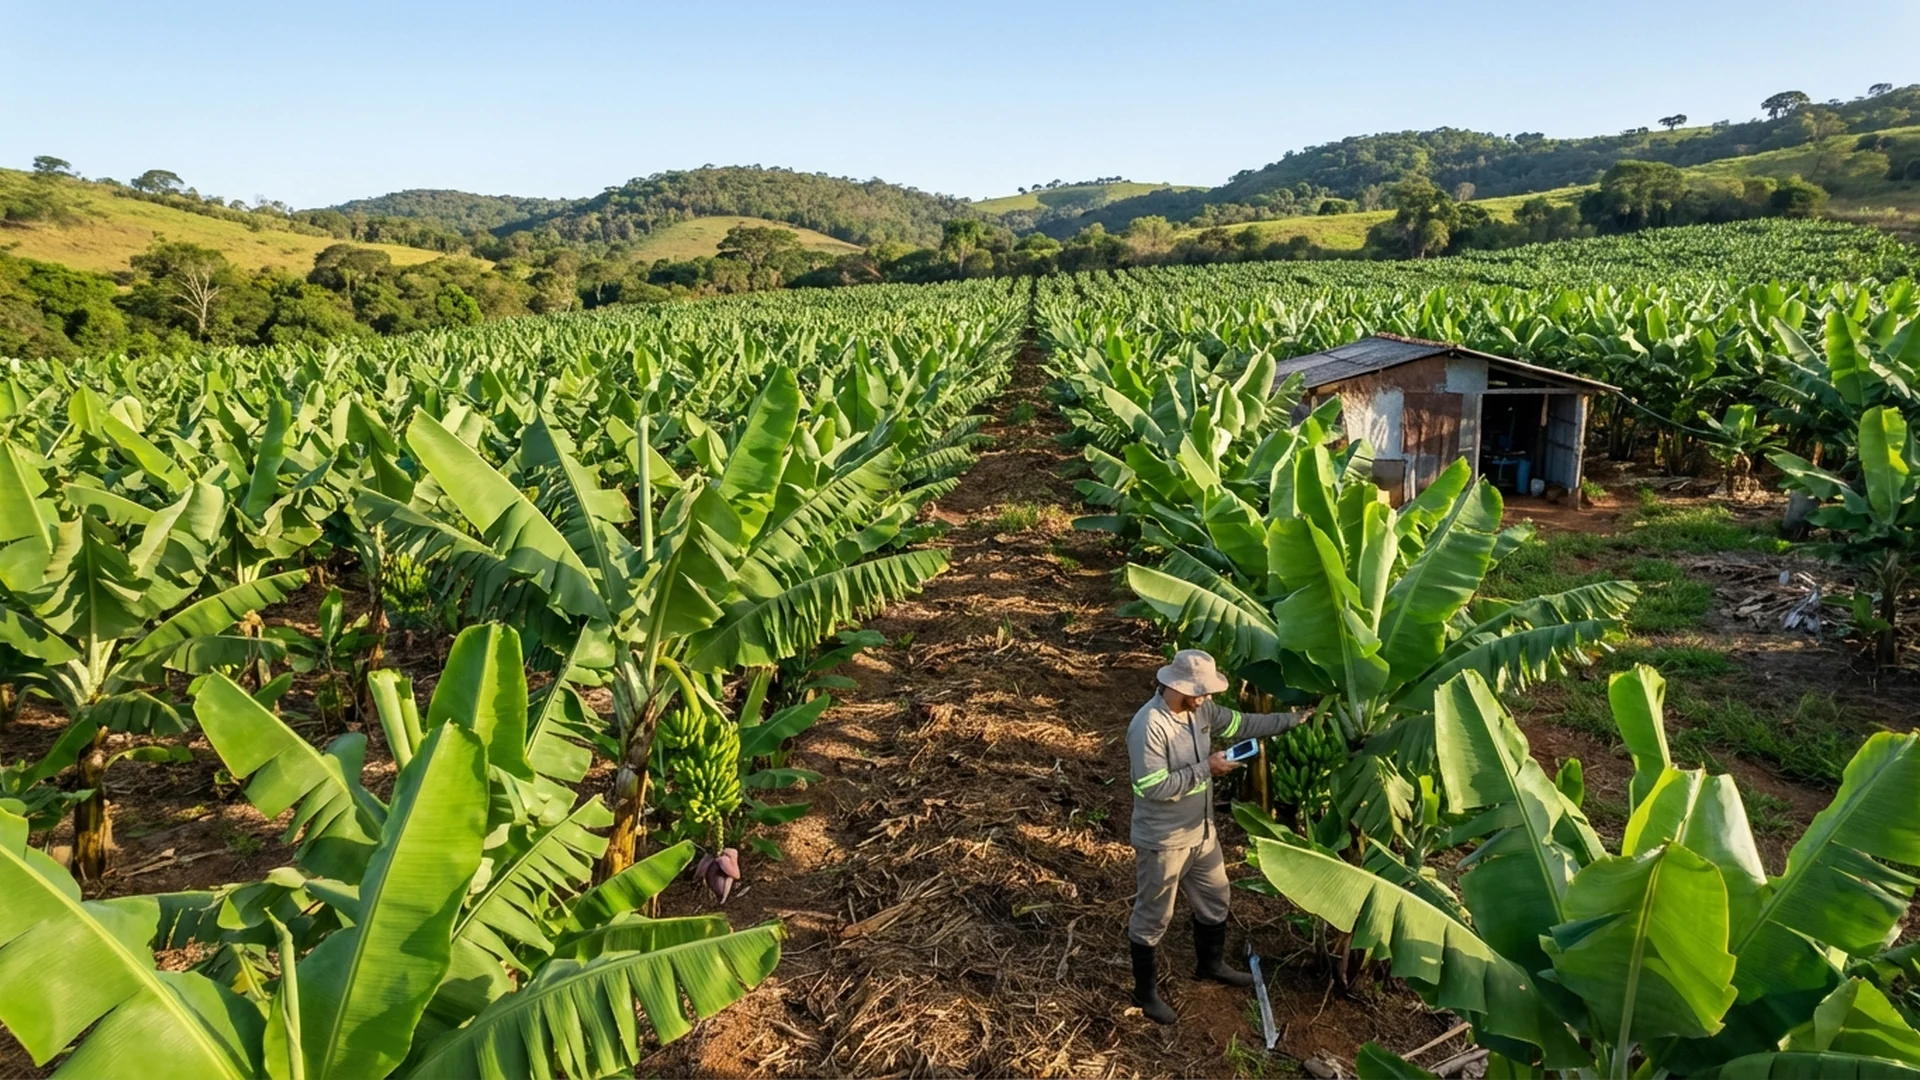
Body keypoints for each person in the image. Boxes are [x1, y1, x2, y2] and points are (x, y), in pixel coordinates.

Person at [1125, 649, 1303, 1025]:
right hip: (1164, 840)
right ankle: (1145, 993)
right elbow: (1153, 787)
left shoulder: (1202, 710)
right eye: (1200, 690)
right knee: (1154, 916)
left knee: (1216, 899)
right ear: (1177, 686)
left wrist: (1293, 720)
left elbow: (1243, 723)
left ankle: (1210, 964)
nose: (1207, 696)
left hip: (1203, 833)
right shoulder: (1149, 725)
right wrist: (1207, 768)